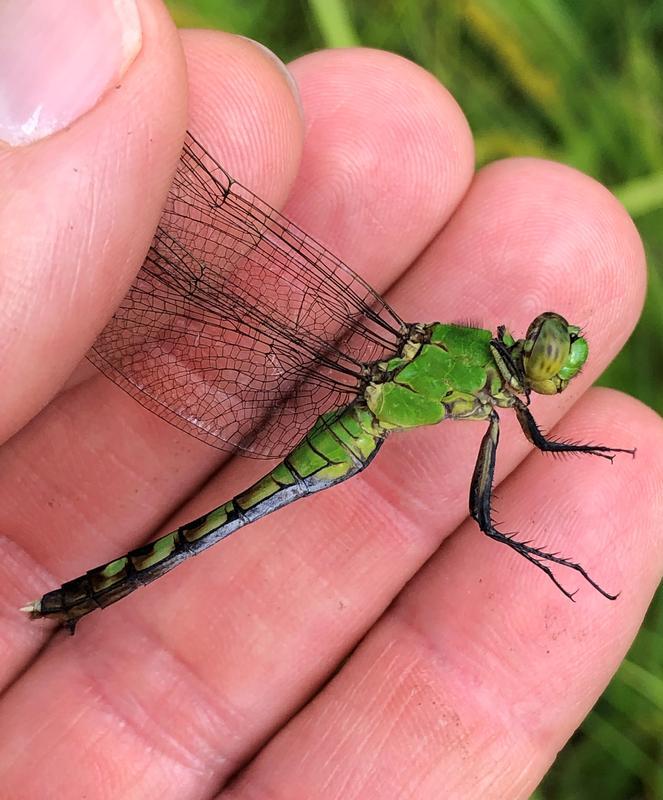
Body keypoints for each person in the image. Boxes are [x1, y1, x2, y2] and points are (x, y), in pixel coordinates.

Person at [0, 1, 660, 797]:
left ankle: (79, 594)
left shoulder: (490, 379)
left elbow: (535, 453)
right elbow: (507, 486)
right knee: (215, 533)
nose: (551, 367)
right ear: (527, 356)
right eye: (551, 353)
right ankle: (82, 592)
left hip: (353, 419)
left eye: (553, 359)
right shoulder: (489, 386)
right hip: (346, 430)